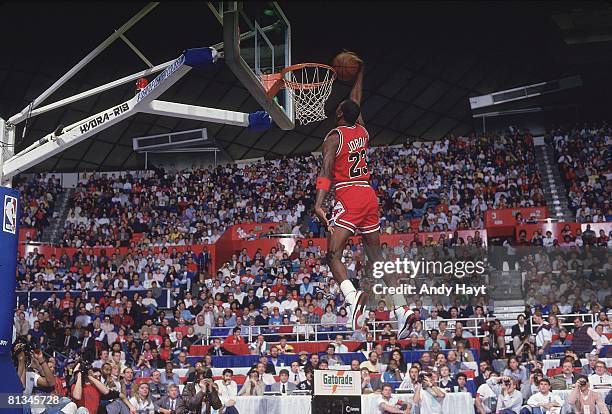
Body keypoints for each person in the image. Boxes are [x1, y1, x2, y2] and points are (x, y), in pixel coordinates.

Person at [312, 51, 412, 336]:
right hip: (369, 195)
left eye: (339, 108)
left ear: (340, 113)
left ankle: (353, 298)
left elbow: (326, 170)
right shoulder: (363, 132)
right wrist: (360, 73)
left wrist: (319, 204)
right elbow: (356, 101)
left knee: (332, 255)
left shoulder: (335, 136)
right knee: (376, 256)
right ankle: (401, 309)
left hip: (349, 195)